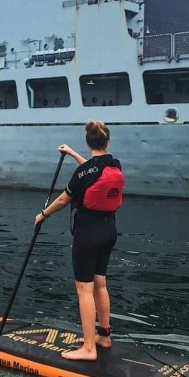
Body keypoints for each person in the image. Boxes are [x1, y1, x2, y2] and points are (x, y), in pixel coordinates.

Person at [34, 120, 125, 361]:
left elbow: (64, 200)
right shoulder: (114, 164)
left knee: (84, 289)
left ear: (89, 142)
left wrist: (42, 215)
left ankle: (88, 348)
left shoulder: (85, 172)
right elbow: (92, 172)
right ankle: (104, 336)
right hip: (110, 230)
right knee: (100, 284)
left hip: (89, 232)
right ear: (107, 141)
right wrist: (73, 153)